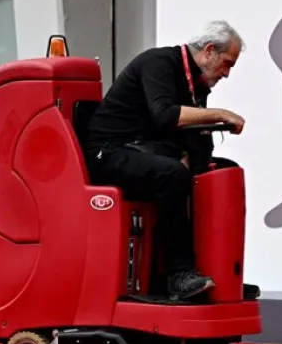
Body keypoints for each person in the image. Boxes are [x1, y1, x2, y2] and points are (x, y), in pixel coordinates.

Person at [83, 21, 247, 301]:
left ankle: (215, 270)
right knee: (172, 175)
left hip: (143, 149)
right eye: (226, 63)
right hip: (108, 152)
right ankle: (178, 274)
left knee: (219, 171)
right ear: (209, 51)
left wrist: (199, 162)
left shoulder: (196, 82)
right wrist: (221, 114)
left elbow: (192, 136)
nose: (227, 74)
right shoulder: (159, 63)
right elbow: (165, 115)